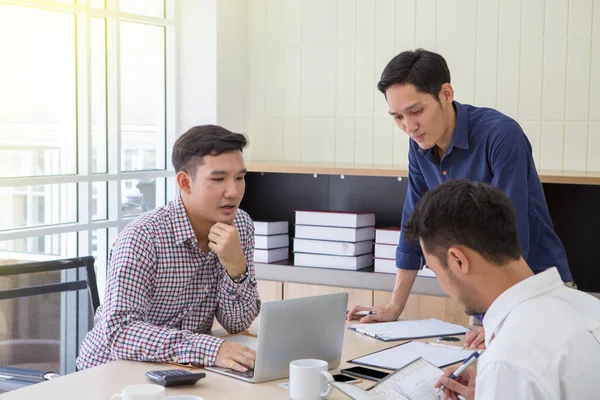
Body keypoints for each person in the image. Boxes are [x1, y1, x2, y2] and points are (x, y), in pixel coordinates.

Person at [347, 49, 575, 349]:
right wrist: (394, 307)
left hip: (536, 293)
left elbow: (511, 235)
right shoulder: (418, 147)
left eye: (416, 112)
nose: (408, 126)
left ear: (445, 93)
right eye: (398, 117)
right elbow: (413, 223)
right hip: (485, 299)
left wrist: (501, 319)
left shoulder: (501, 135)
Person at [76, 125, 261, 372]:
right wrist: (210, 349)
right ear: (185, 182)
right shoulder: (142, 237)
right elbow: (119, 332)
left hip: (182, 371)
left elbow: (237, 323)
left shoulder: (240, 225)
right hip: (112, 371)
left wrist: (236, 269)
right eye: (218, 179)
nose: (234, 191)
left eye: (239, 177)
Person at [403, 180, 600, 400]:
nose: (442, 284)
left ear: (458, 260)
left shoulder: (508, 361)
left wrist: (498, 385)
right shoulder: (591, 309)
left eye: (434, 270)